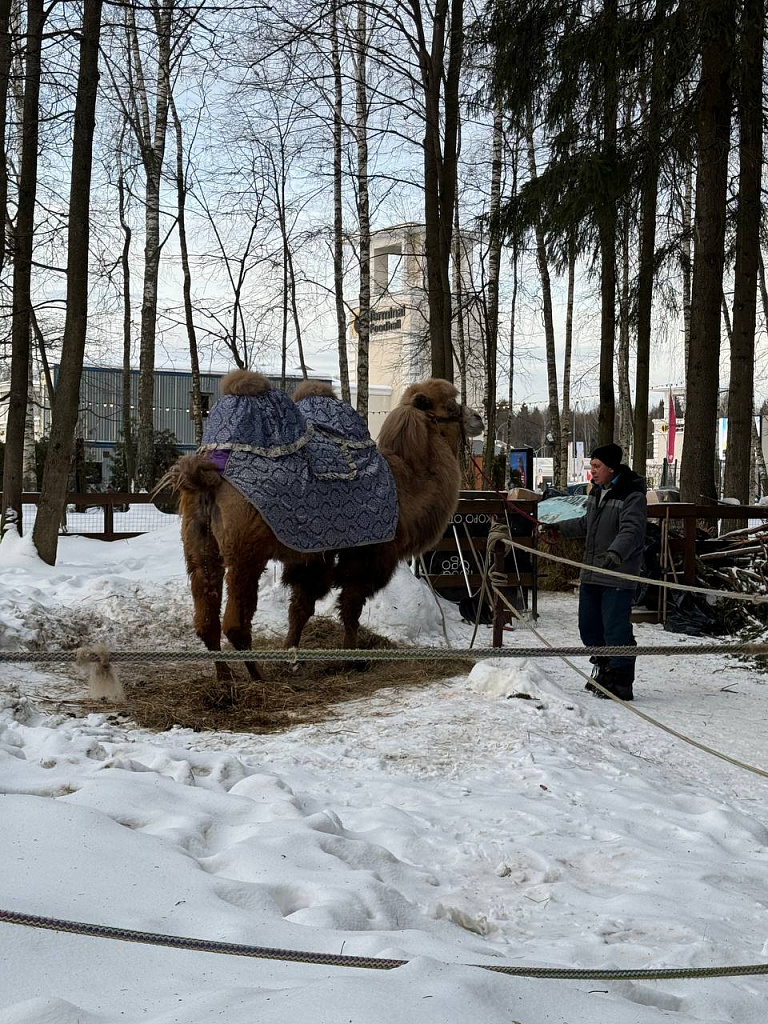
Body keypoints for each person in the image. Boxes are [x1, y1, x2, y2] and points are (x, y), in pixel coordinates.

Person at [550, 443, 647, 701]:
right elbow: (587, 524)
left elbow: (632, 530)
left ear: (611, 468)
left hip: (617, 574)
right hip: (592, 571)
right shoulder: (596, 492)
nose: (592, 471)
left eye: (596, 466)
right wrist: (559, 529)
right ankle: (604, 668)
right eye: (591, 466)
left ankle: (621, 678)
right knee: (589, 627)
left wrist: (616, 553)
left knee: (615, 628)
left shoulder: (631, 494)